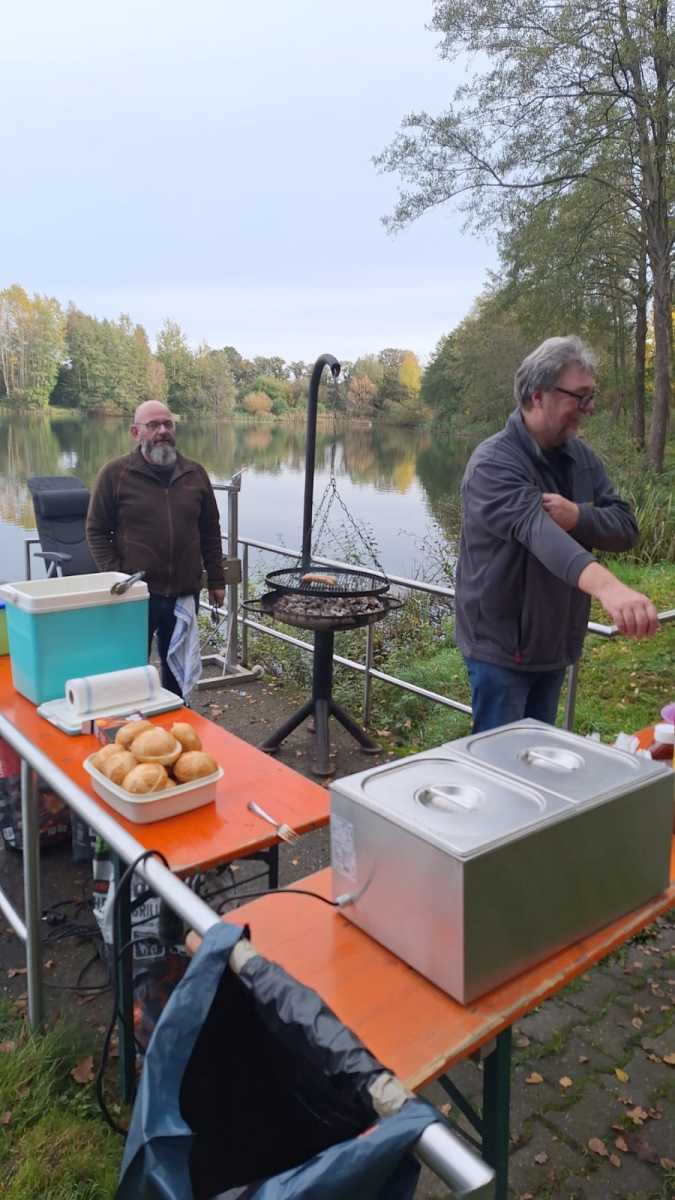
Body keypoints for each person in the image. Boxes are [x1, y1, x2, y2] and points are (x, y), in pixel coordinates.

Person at [454, 335, 659, 733]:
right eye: (580, 397)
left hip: (555, 646)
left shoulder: (581, 456)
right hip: (500, 650)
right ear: (538, 395)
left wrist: (579, 516)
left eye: (591, 396)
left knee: (536, 755)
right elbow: (540, 533)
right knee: (499, 761)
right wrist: (609, 588)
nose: (590, 407)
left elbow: (626, 527)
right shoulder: (492, 464)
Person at [86, 400, 225, 697]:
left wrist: (216, 579)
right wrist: (119, 576)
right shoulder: (115, 474)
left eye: (168, 424)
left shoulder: (195, 473)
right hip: (137, 593)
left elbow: (210, 530)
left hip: (184, 592)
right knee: (130, 668)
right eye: (153, 425)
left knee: (176, 671)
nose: (162, 430)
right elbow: (96, 530)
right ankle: (133, 719)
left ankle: (176, 715)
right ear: (136, 432)